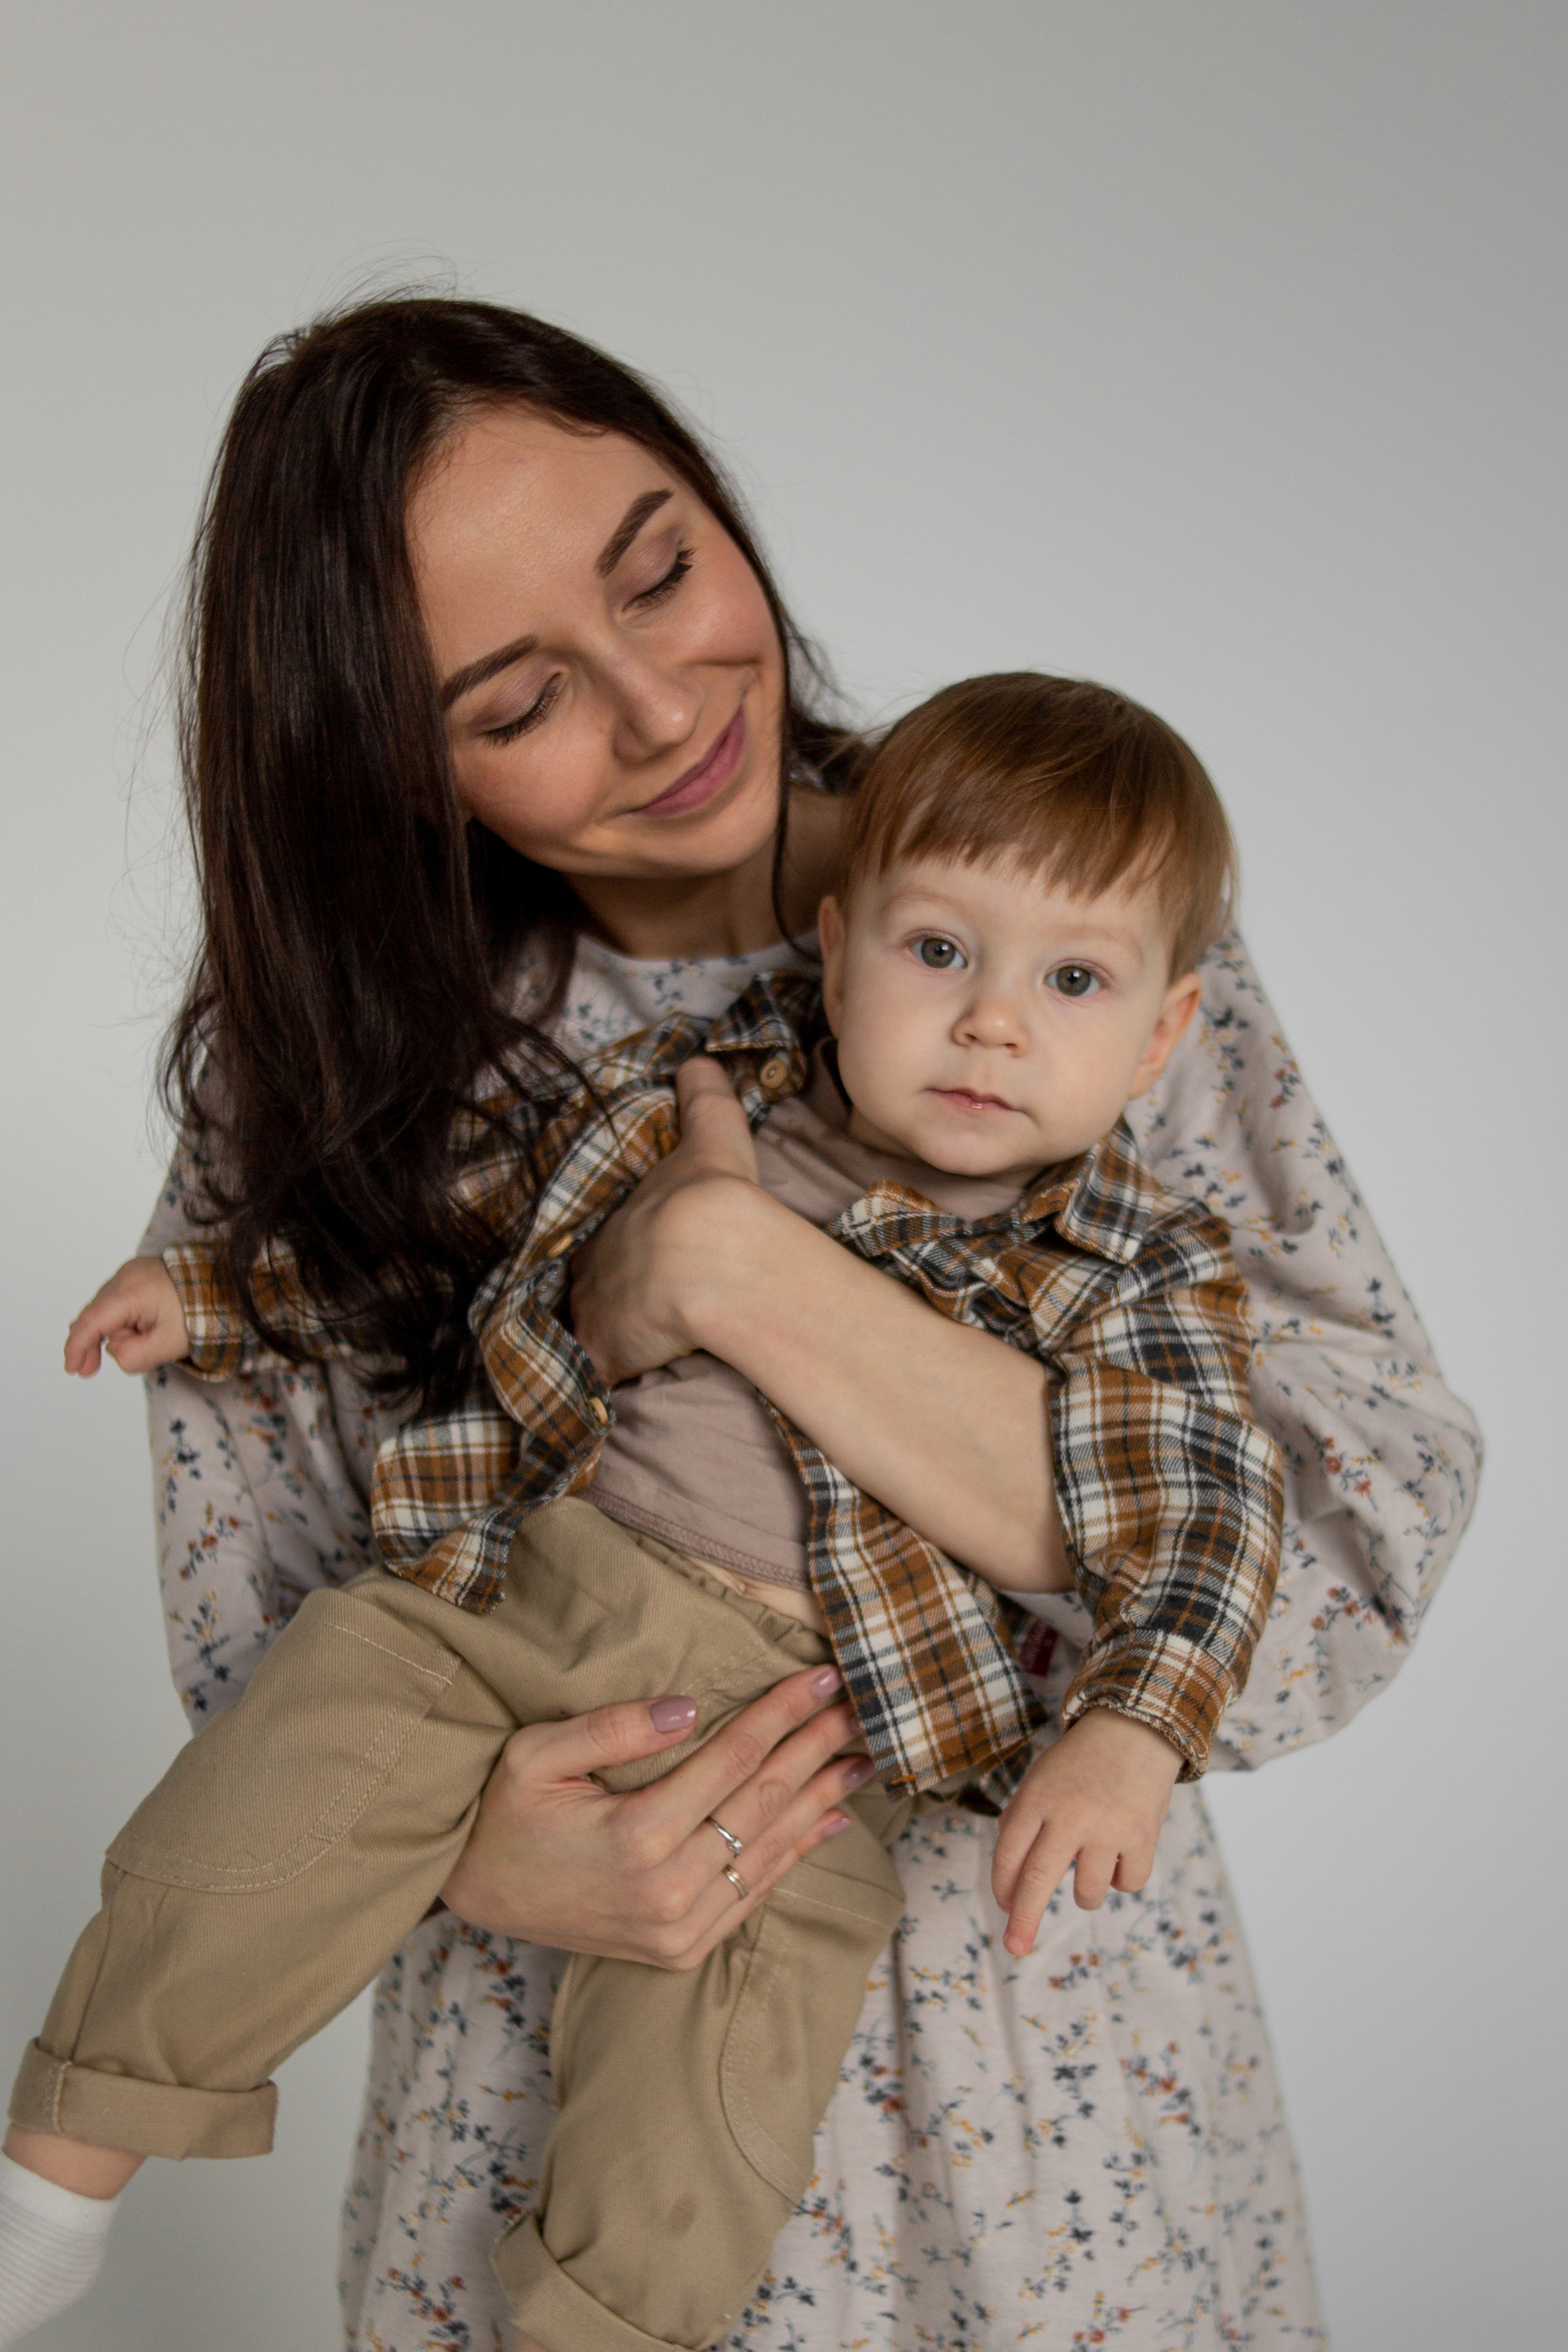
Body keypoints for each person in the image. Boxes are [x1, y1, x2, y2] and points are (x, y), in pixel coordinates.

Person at [0, 299, 1480, 2350]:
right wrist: (485, 1852)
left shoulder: (1051, 917)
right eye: (520, 698)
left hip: (1050, 2102)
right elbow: (272, 1655)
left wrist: (745, 1283)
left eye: (662, 568)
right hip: (535, 2105)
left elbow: (1345, 1515)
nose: (664, 701)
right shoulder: (345, 1078)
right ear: (391, 767)